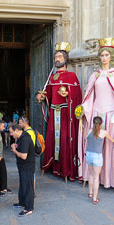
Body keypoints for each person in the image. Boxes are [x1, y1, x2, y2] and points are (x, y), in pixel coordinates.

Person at [77, 37, 114, 194]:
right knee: (94, 146)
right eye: (102, 55)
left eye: (107, 55)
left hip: (111, 113)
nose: (104, 58)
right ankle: (94, 179)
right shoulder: (95, 75)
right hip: (96, 113)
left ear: (111, 56)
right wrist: (83, 110)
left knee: (109, 146)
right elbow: (88, 96)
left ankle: (111, 179)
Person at [36, 42, 82, 181]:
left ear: (66, 59)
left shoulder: (71, 76)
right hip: (54, 115)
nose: (57, 59)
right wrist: (43, 97)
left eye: (60, 56)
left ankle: (66, 170)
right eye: (56, 56)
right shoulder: (52, 77)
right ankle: (54, 167)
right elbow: (48, 95)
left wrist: (67, 95)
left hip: (66, 115)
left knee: (64, 141)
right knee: (53, 141)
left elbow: (77, 96)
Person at [86, 117, 114, 204]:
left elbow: (86, 137)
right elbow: (112, 140)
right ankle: (95, 198)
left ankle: (90, 193)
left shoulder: (89, 131)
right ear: (101, 123)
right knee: (96, 177)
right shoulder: (104, 132)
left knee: (91, 175)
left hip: (88, 154)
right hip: (97, 156)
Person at [10, 123, 35, 217]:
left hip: (27, 166)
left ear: (16, 130)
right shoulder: (21, 138)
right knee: (23, 184)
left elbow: (24, 156)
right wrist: (16, 147)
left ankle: (28, 208)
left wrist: (14, 150)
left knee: (28, 186)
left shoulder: (25, 139)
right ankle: (22, 202)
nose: (11, 134)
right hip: (22, 166)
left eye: (12, 132)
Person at [18, 116, 36, 195]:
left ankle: (32, 191)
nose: (19, 124)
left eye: (20, 123)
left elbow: (30, 146)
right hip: (27, 158)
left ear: (25, 122)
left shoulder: (29, 133)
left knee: (31, 176)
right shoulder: (26, 131)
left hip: (28, 159)